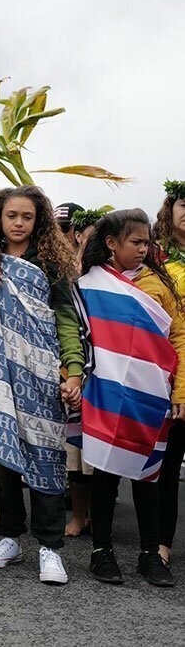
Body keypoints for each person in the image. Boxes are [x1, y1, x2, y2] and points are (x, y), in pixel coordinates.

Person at [0, 186, 84, 585]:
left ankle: (50, 547)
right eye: (12, 215)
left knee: (45, 457)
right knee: (3, 454)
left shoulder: (50, 265)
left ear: (38, 220)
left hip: (41, 373)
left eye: (27, 217)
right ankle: (10, 537)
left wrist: (73, 369)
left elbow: (65, 319)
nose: (19, 223)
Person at [78, 209, 184, 587]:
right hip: (105, 393)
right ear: (111, 243)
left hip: (152, 394)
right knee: (105, 470)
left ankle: (149, 554)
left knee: (148, 474)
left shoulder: (159, 284)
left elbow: (179, 339)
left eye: (147, 243)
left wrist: (181, 389)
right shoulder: (89, 284)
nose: (144, 249)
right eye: (135, 242)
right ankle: (101, 551)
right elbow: (78, 336)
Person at [63, 207, 110, 537]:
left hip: (109, 376)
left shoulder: (117, 284)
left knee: (102, 458)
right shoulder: (73, 283)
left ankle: (101, 515)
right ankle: (79, 515)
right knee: (76, 455)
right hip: (79, 373)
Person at [154, 180, 185, 565]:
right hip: (170, 371)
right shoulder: (157, 260)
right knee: (166, 463)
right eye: (183, 202)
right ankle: (161, 542)